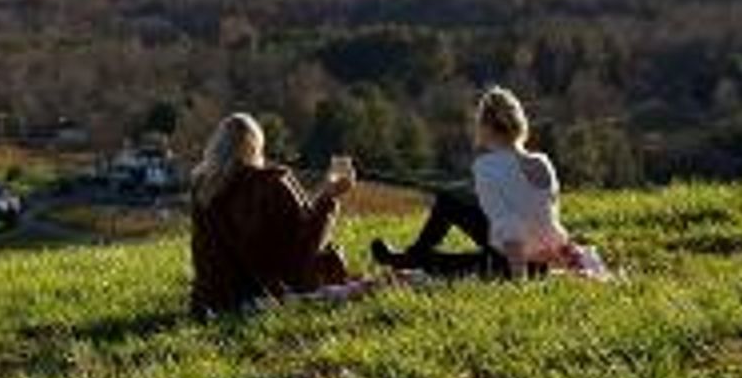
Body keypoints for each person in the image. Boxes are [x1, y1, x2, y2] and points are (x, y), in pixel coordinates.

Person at [373, 86, 600, 279]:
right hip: (545, 256)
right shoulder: (542, 161)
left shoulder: (486, 167)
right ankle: (411, 257)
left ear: (485, 127)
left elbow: (510, 226)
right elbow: (544, 218)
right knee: (450, 200)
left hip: (514, 262)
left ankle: (411, 258)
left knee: (440, 258)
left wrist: (518, 278)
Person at [187, 112, 360, 316]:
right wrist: (329, 198)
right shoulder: (272, 183)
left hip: (212, 304)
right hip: (262, 300)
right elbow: (303, 252)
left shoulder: (203, 189)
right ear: (256, 146)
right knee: (383, 283)